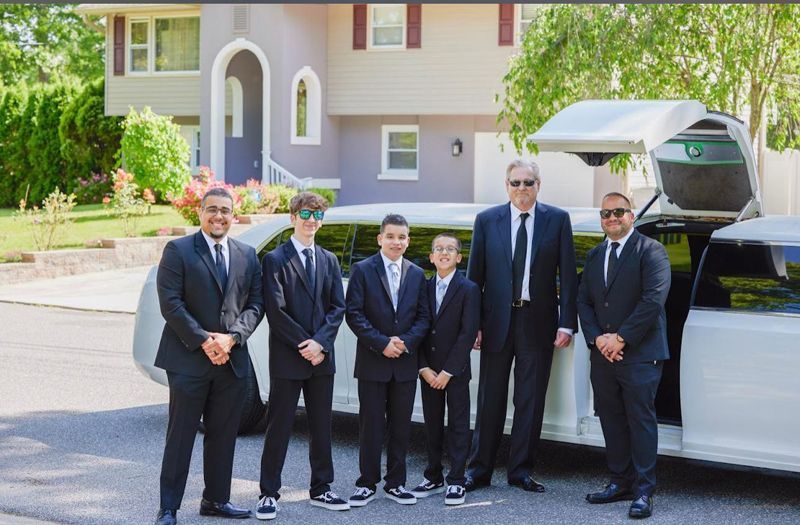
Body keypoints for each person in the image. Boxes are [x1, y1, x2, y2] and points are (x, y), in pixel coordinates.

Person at [465, 159, 578, 493]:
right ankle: (479, 470)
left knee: (530, 400)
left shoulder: (557, 220)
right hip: (496, 321)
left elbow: (568, 275)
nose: (522, 189)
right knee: (490, 399)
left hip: (538, 321)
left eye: (528, 183)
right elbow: (474, 278)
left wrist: (567, 323)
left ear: (538, 185)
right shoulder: (487, 221)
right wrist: (473, 325)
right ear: (506, 185)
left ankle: (520, 471)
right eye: (516, 183)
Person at [154, 187, 264, 525]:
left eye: (225, 211)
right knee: (181, 435)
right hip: (188, 359)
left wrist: (231, 339)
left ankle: (216, 500)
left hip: (232, 361)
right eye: (212, 209)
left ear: (234, 215)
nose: (219, 216)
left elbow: (256, 305)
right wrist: (204, 340)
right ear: (200, 213)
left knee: (223, 435)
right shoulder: (179, 250)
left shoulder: (247, 254)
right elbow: (171, 303)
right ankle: (169, 507)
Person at [577, 192, 671, 519]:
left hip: (641, 353)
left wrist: (621, 338)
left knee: (640, 421)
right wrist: (598, 339)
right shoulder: (593, 255)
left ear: (631, 215)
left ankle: (644, 491)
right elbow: (584, 302)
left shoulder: (651, 251)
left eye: (618, 212)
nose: (612, 218)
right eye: (605, 213)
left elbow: (653, 300)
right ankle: (620, 481)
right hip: (603, 354)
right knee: (612, 419)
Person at [255, 192, 348, 520]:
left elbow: (338, 307)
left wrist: (320, 344)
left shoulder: (329, 260)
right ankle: (268, 492)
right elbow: (275, 311)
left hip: (322, 358)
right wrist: (304, 344)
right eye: (306, 214)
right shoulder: (275, 260)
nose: (312, 221)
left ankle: (322, 487)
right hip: (288, 357)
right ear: (293, 217)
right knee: (279, 426)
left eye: (318, 216)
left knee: (322, 425)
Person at [345, 213, 430, 507]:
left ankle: (396, 483)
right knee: (371, 426)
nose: (397, 242)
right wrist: (382, 344)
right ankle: (366, 483)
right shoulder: (362, 269)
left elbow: (423, 317)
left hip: (405, 362)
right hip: (373, 361)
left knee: (401, 426)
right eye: (391, 236)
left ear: (408, 241)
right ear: (380, 238)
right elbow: (354, 314)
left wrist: (404, 343)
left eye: (402, 237)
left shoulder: (417, 274)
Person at [409, 233, 480, 506]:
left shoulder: (468, 289)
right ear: (431, 257)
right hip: (428, 370)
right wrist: (423, 366)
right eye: (439, 249)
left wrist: (448, 371)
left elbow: (467, 333)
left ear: (459, 257)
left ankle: (457, 479)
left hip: (456, 370)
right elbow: (419, 329)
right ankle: (433, 475)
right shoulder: (423, 287)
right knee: (432, 424)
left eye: (450, 249)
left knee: (459, 424)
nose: (444, 252)